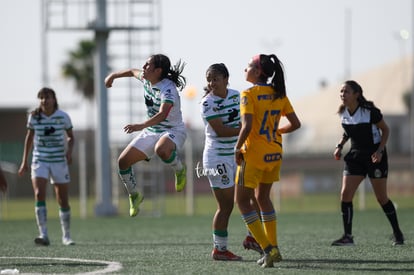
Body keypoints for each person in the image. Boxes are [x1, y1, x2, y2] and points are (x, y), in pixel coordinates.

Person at [234, 54, 301, 268]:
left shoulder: (248, 93)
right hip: (274, 152)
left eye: (248, 66)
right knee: (263, 198)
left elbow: (246, 126)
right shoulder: (279, 93)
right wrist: (276, 130)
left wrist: (237, 148)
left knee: (243, 202)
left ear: (258, 71)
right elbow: (295, 124)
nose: (245, 69)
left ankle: (268, 248)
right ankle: (274, 247)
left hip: (254, 154)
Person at [104, 54, 187, 217]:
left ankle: (179, 169)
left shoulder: (168, 89)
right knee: (123, 162)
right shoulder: (145, 78)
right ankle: (135, 195)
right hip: (152, 131)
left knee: (162, 150)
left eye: (147, 65)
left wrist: (140, 126)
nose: (143, 67)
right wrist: (112, 76)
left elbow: (163, 114)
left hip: (173, 130)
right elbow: (130, 71)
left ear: (158, 71)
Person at [331, 80, 404, 246]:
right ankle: (348, 236)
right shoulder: (343, 112)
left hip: (374, 157)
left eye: (346, 91)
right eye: (341, 91)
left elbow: (386, 130)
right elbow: (348, 131)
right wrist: (340, 146)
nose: (342, 94)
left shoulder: (370, 111)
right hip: (355, 157)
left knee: (381, 198)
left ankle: (398, 233)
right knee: (345, 195)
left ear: (356, 94)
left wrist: (379, 151)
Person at [201, 63, 262, 261]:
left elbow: (249, 119)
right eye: (209, 79)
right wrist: (247, 130)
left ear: (227, 79)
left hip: (237, 154)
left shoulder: (238, 96)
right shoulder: (207, 103)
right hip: (216, 158)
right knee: (226, 206)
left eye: (215, 78)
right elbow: (221, 131)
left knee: (253, 197)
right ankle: (219, 250)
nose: (211, 83)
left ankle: (253, 238)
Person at [18, 87, 75, 246]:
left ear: (54, 99)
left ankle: (67, 235)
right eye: (42, 97)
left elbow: (71, 137)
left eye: (47, 97)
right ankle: (43, 234)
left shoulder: (63, 117)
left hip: (59, 161)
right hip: (40, 160)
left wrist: (69, 152)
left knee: (62, 199)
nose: (44, 100)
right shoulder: (34, 117)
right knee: (38, 193)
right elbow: (29, 138)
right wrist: (24, 162)